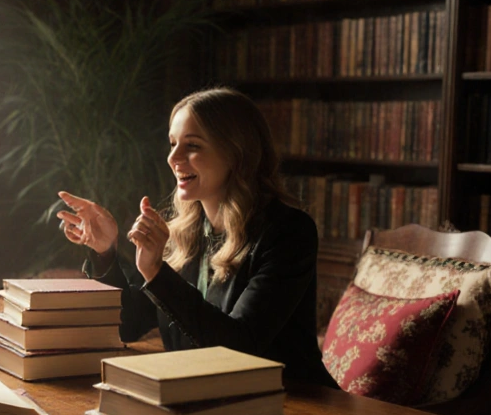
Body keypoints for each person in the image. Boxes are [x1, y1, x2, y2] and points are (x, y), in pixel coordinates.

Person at [57, 86, 337, 389]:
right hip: (204, 401)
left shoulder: (289, 232)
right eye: (173, 143)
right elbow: (128, 326)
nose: (173, 158)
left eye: (193, 146)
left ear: (236, 153)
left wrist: (156, 272)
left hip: (295, 406)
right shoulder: (184, 234)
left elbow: (240, 348)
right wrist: (105, 252)